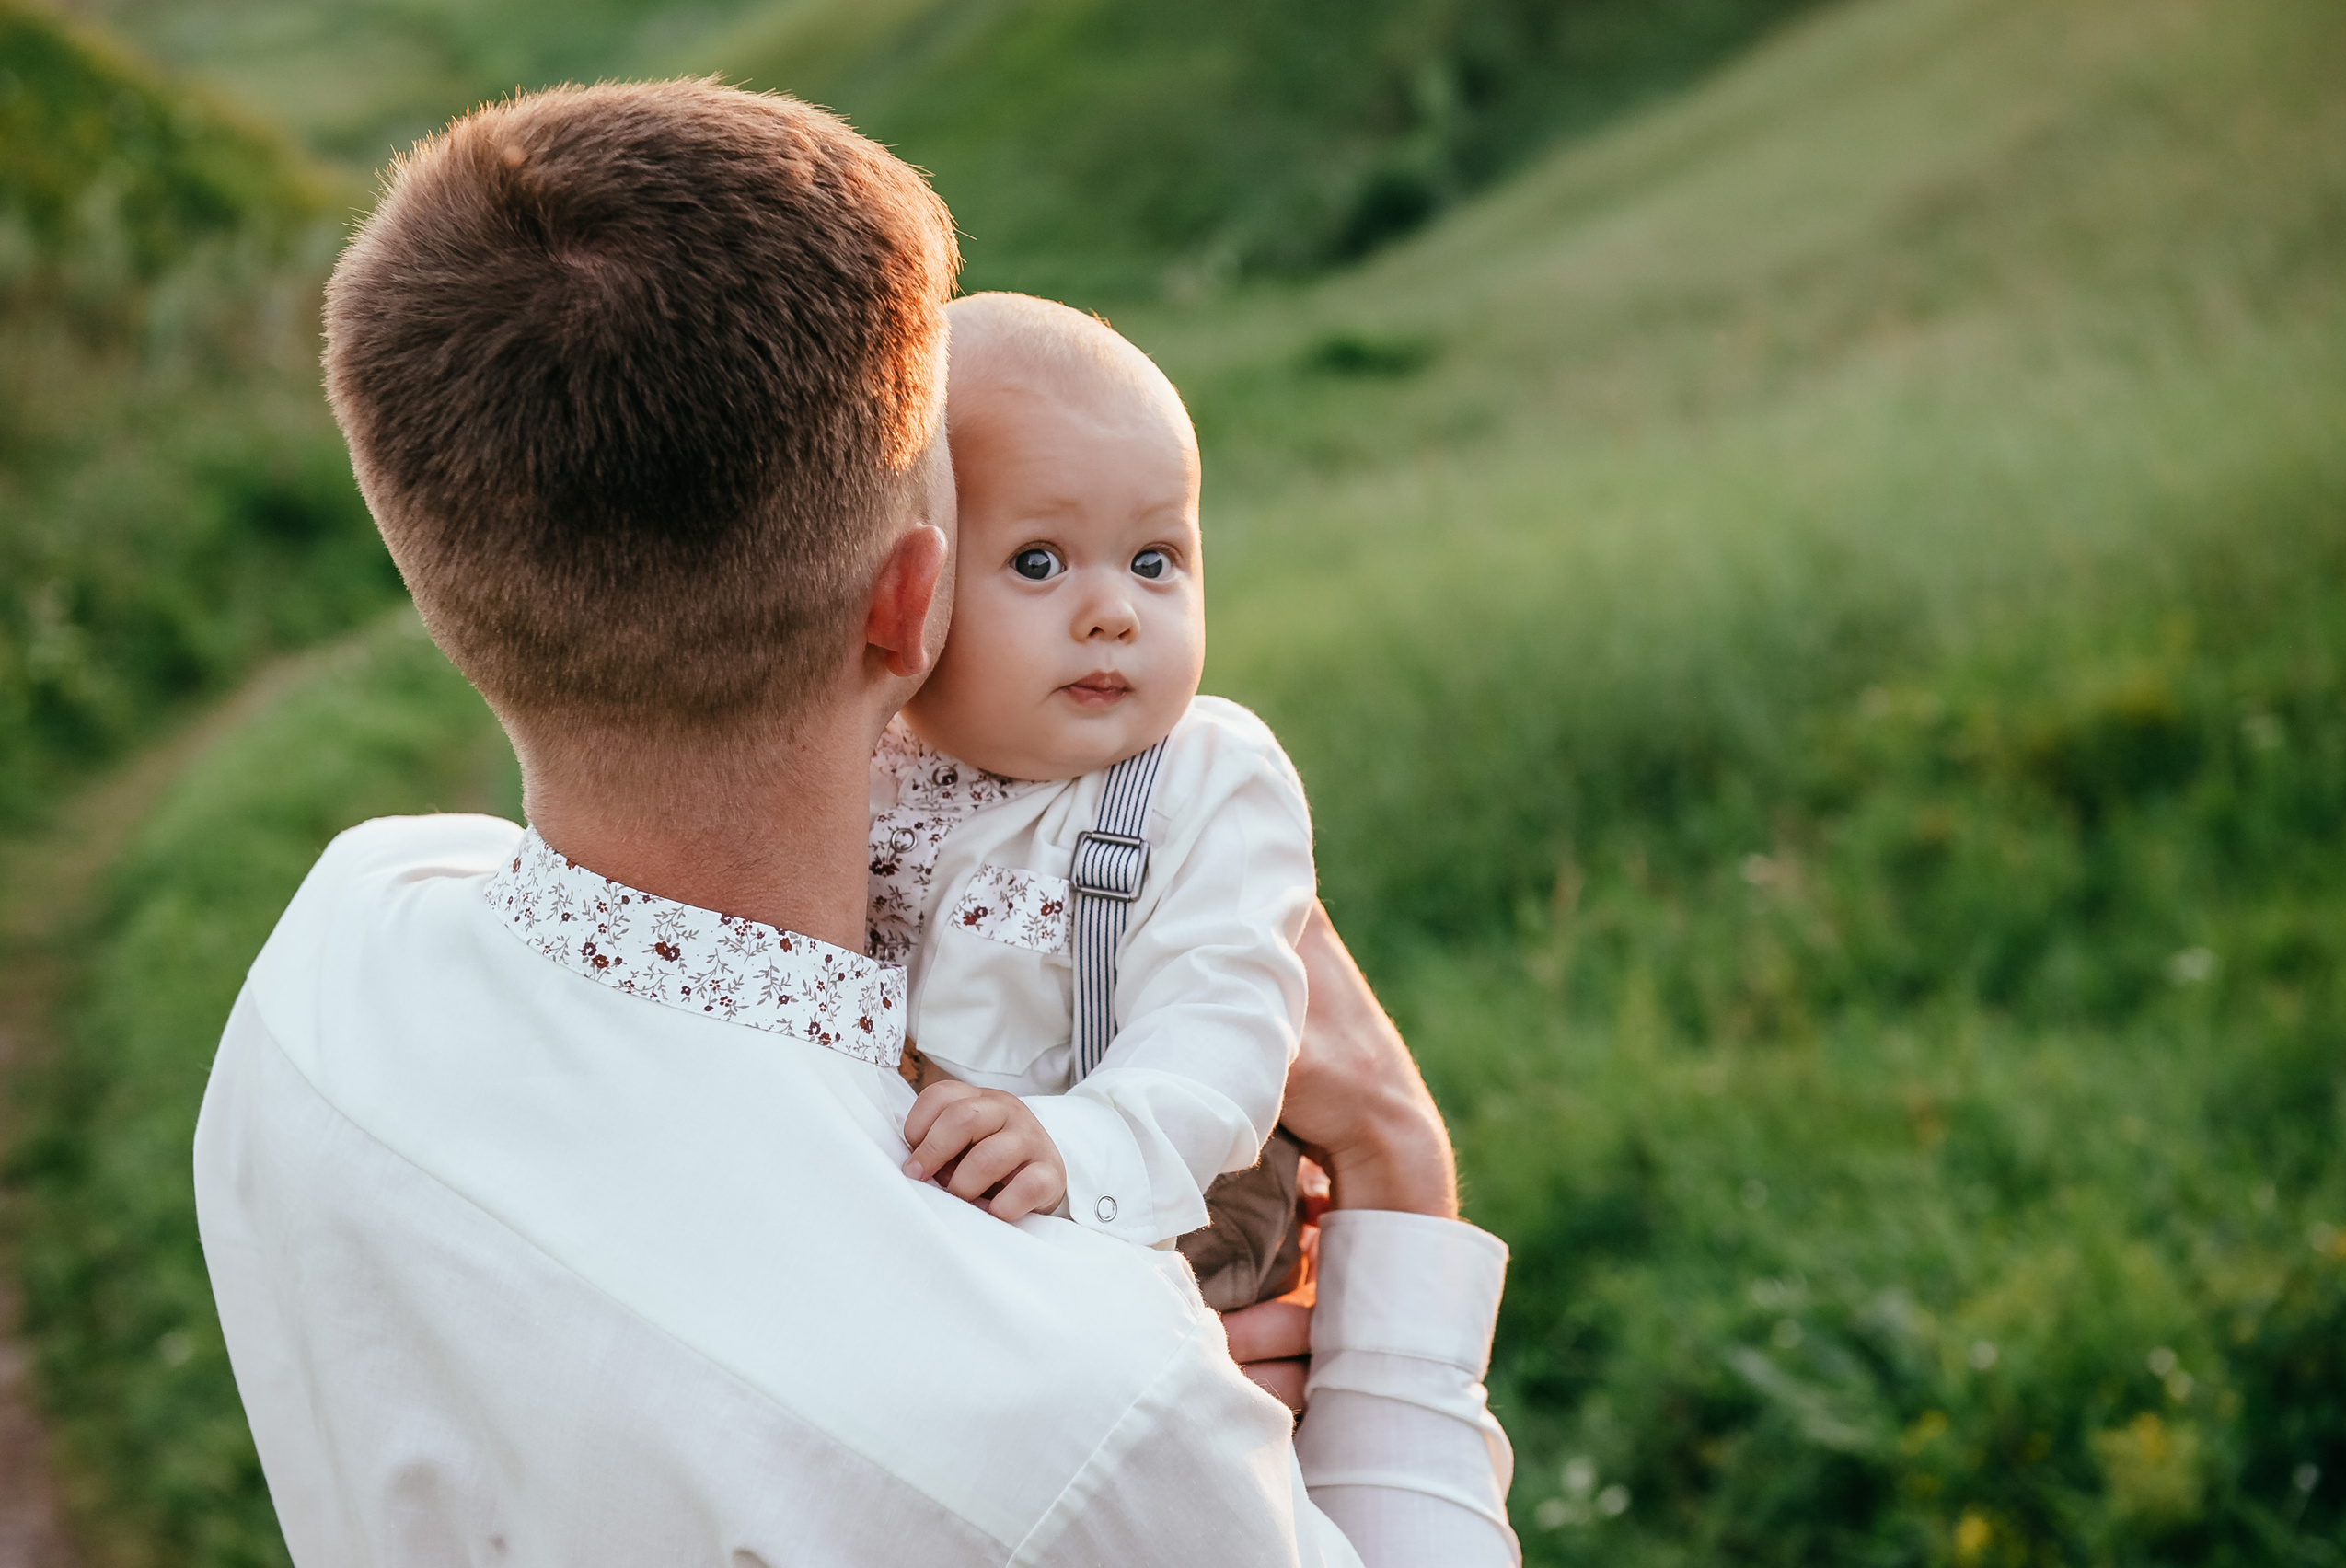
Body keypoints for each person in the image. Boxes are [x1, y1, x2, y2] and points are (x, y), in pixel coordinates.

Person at [192, 79, 1520, 1565]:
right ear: (908, 604)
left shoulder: (319, 969)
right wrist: (1398, 1162)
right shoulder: (1085, 1410)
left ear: (450, 584)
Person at [869, 292, 1317, 1309]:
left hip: (1159, 1215)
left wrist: (1076, 1142)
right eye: (1038, 562)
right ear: (907, 588)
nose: (1114, 612)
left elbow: (1223, 1019)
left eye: (1155, 561)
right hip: (928, 1233)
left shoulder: (1202, 780)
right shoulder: (860, 759)